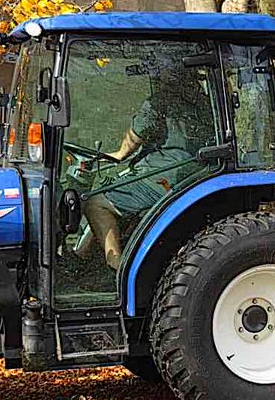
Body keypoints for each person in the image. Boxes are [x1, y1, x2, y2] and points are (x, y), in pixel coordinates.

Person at [79, 68, 214, 270]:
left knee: (95, 201)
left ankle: (115, 266)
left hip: (165, 176)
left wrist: (118, 154)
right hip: (193, 172)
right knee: (114, 189)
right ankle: (83, 259)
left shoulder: (160, 101)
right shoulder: (205, 102)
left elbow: (134, 138)